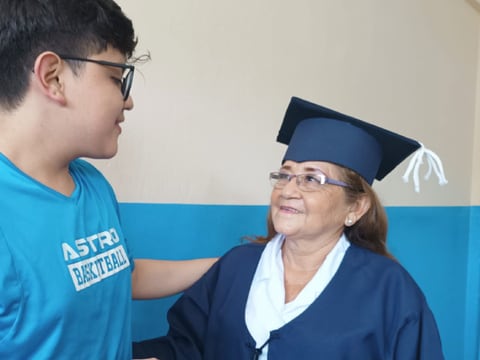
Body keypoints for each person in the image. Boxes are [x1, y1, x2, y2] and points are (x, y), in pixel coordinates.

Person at [133, 96, 446, 359]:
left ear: (355, 207)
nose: (288, 189)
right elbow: (184, 348)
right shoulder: (236, 266)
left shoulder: (390, 291)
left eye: (312, 179)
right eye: (284, 175)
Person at [0, 1, 216, 359]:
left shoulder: (92, 185)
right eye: (117, 79)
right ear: (53, 76)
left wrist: (229, 263)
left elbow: (121, 276)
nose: (127, 102)